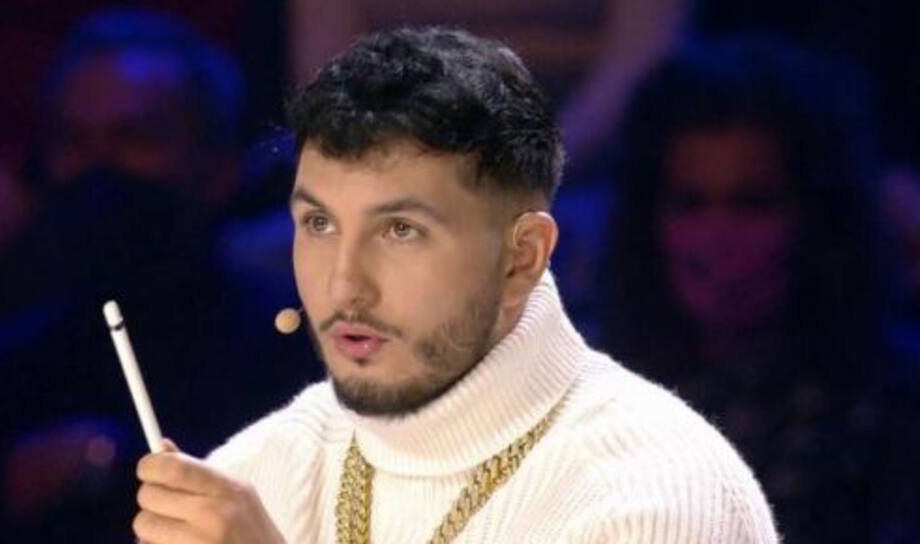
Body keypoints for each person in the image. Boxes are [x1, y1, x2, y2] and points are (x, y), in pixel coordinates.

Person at [130, 27, 776, 543]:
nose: (343, 285)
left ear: (522, 257)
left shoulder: (659, 495)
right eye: (319, 224)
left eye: (400, 230)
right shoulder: (259, 470)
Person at [599, 36, 919, 542]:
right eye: (690, 205)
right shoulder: (599, 402)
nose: (717, 239)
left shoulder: (893, 411)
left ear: (821, 220)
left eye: (752, 205)